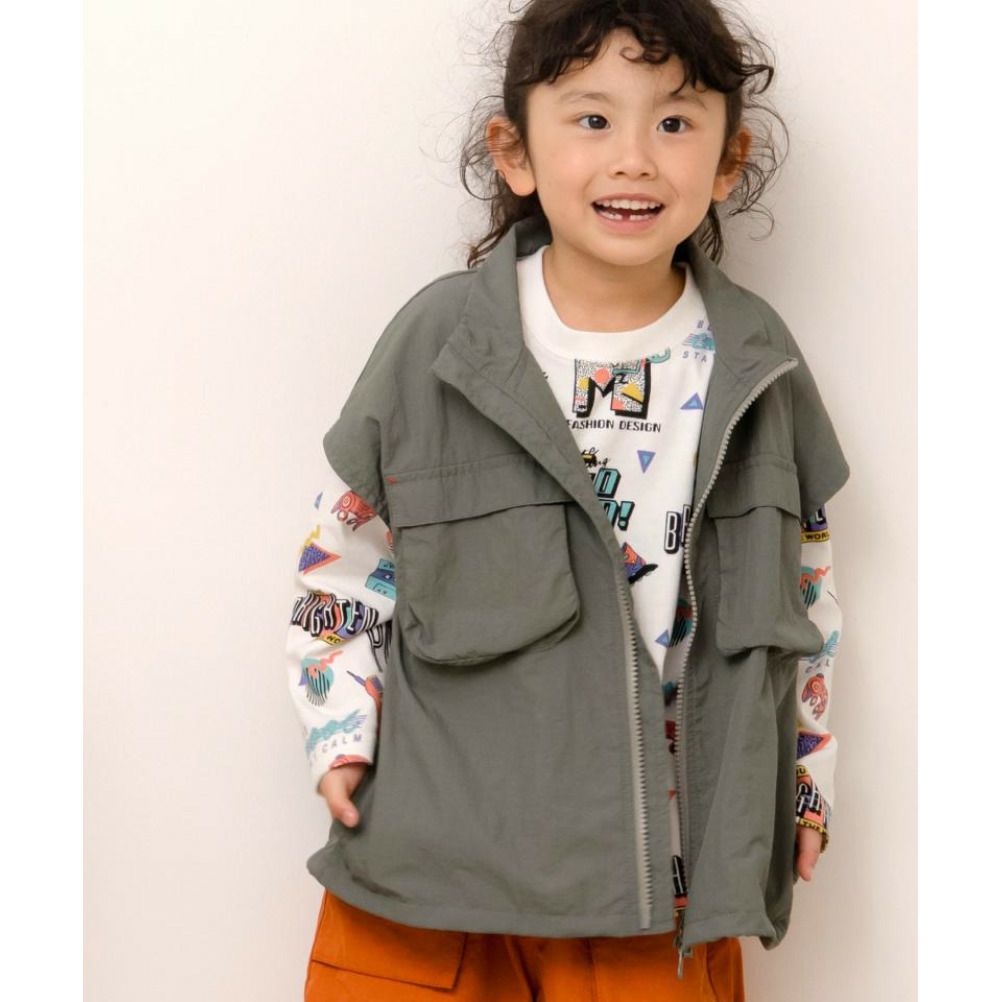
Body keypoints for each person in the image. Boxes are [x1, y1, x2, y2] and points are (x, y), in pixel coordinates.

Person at [285, 2, 849, 999]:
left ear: (729, 160)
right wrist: (339, 733)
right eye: (592, 119)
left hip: (661, 896)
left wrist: (806, 780)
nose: (634, 158)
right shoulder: (438, 345)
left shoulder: (758, 366)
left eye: (673, 121)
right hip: (437, 877)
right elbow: (345, 562)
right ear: (515, 152)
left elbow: (805, 597)